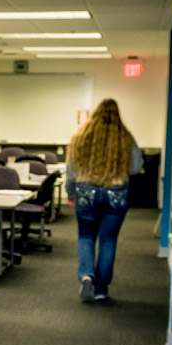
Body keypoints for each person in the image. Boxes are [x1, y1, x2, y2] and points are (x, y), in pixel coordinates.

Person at [66, 98, 143, 302]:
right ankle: (101, 290)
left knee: (86, 236)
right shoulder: (126, 137)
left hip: (86, 192)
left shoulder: (80, 136)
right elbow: (136, 166)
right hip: (116, 194)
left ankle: (87, 275)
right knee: (108, 240)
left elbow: (71, 168)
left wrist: (70, 192)